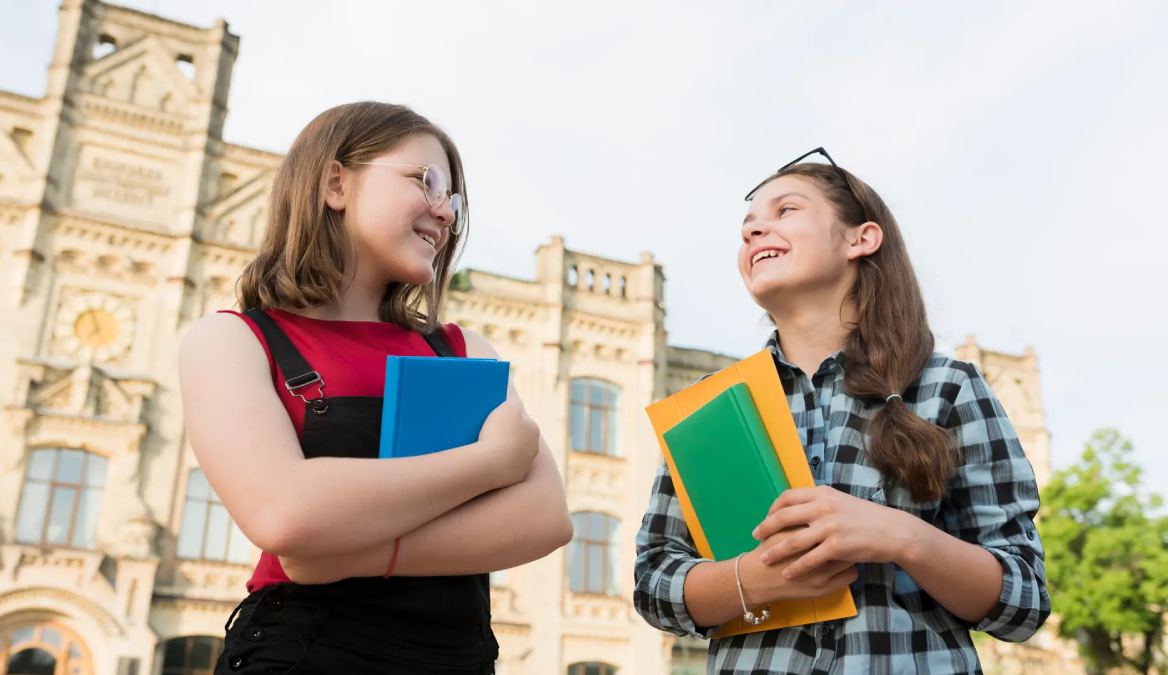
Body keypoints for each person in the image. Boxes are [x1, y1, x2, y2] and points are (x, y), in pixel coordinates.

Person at [179, 101, 573, 675]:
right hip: (304, 655)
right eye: (427, 181)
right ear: (336, 182)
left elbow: (546, 518)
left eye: (455, 201)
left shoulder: (463, 347)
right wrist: (489, 462)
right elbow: (285, 513)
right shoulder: (233, 340)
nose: (446, 213)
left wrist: (351, 551)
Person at [633, 148, 1050, 674]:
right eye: (748, 226)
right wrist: (755, 577)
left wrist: (902, 536)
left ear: (861, 238)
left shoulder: (947, 386)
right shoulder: (712, 406)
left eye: (785, 211)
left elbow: (1024, 601)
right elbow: (654, 584)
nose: (753, 232)